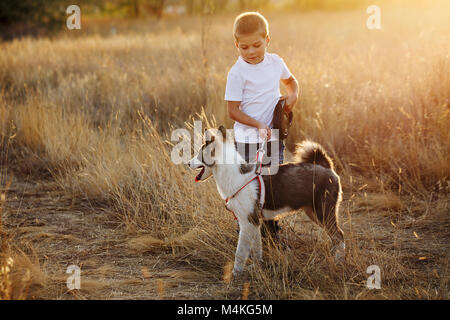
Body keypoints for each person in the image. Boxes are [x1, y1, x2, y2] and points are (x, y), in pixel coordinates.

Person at [224, 11, 299, 242]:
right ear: (236, 45)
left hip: (273, 136)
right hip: (248, 140)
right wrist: (257, 124)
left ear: (267, 40)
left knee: (272, 184)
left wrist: (293, 95)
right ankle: (246, 232)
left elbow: (291, 81)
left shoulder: (276, 62)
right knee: (249, 187)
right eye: (244, 47)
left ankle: (271, 232)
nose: (251, 52)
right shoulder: (237, 73)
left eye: (256, 45)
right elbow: (233, 110)